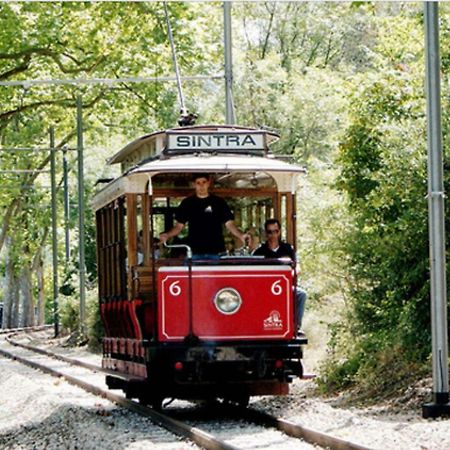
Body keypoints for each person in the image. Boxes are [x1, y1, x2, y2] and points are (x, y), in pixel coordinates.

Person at [159, 173, 251, 260]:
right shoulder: (187, 203)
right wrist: (167, 235)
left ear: (208, 183)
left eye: (204, 182)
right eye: (198, 183)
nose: (201, 186)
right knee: (194, 277)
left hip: (216, 252)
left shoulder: (219, 202)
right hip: (194, 252)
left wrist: (241, 235)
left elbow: (230, 224)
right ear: (194, 184)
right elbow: (179, 227)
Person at [253, 218, 307, 332]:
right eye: (270, 232)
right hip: (264, 289)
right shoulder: (259, 252)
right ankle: (255, 326)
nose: (273, 235)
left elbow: (298, 266)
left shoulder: (288, 249)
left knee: (301, 294)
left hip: (284, 287)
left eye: (275, 231)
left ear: (279, 232)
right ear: (265, 233)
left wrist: (292, 273)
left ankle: (295, 327)